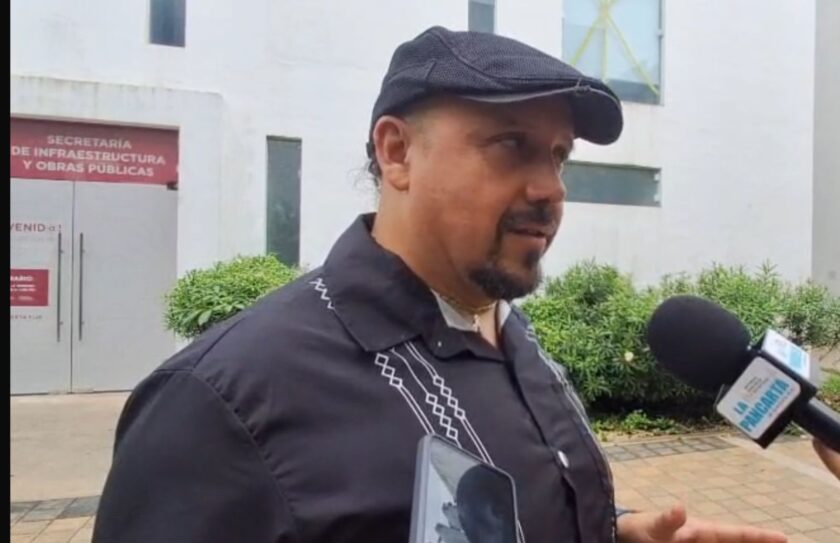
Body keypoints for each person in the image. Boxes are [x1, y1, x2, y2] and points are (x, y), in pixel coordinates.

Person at [92, 26, 788, 543]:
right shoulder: (220, 405)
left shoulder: (513, 340)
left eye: (558, 156)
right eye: (511, 145)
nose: (550, 188)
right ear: (397, 152)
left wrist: (612, 533)